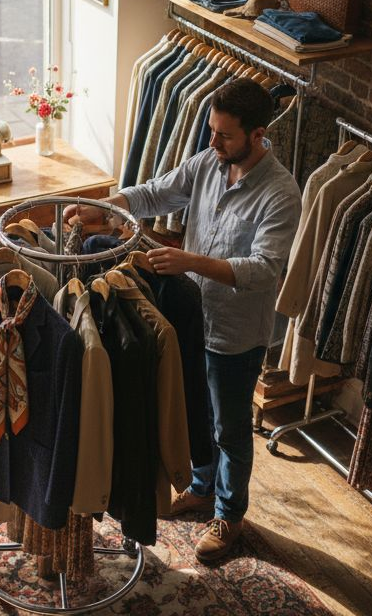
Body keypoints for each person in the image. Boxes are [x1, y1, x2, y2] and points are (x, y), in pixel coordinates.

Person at [66, 78, 300, 563]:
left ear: (258, 135)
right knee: (197, 409)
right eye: (211, 132)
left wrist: (189, 261)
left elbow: (263, 270)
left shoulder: (280, 193)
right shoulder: (209, 162)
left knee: (230, 427)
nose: (213, 143)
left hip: (236, 332)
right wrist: (105, 208)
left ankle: (229, 515)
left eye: (224, 136)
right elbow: (156, 193)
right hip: (191, 318)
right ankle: (200, 486)